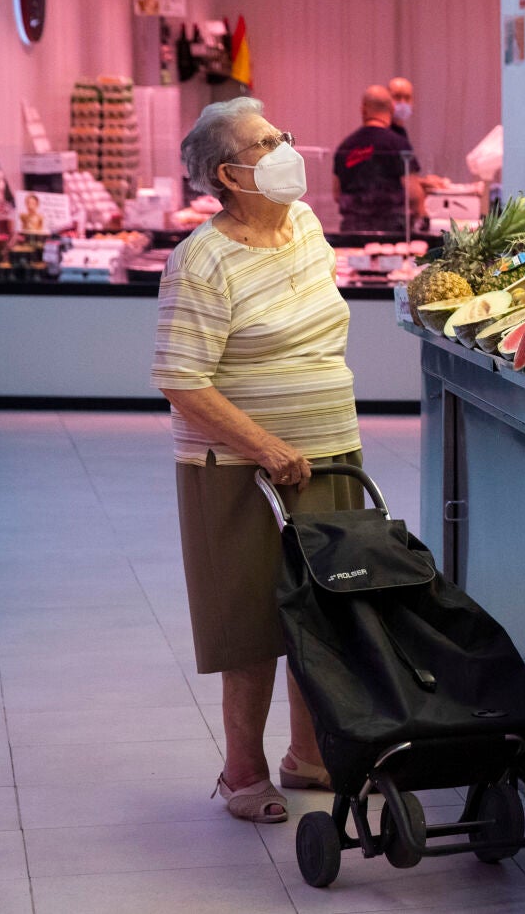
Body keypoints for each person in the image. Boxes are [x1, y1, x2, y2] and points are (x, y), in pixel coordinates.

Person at [154, 96, 366, 823]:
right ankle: (240, 770)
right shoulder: (202, 259)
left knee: (323, 608)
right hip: (240, 467)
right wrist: (266, 445)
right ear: (229, 174)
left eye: (283, 134)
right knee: (250, 623)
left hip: (331, 450)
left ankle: (307, 755)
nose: (285, 148)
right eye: (265, 142)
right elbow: (182, 378)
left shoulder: (304, 225)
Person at [333, 85, 423, 235]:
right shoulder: (398, 144)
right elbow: (413, 194)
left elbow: (336, 194)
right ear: (392, 109)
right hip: (391, 233)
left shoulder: (345, 146)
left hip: (351, 232)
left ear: (363, 110)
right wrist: (421, 214)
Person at [387, 76, 414, 141]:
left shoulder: (402, 132)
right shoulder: (382, 134)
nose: (403, 102)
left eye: (407, 98)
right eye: (397, 97)